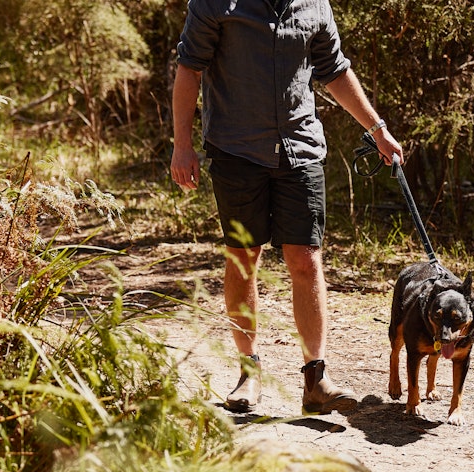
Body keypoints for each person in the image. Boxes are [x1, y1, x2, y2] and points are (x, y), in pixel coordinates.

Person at [170, 0, 404, 414]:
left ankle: (316, 379)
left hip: (301, 149)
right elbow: (190, 68)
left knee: (306, 259)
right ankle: (249, 372)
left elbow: (334, 69)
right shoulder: (216, 3)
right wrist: (182, 145)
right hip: (236, 150)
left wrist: (377, 130)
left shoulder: (314, 3)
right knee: (244, 257)